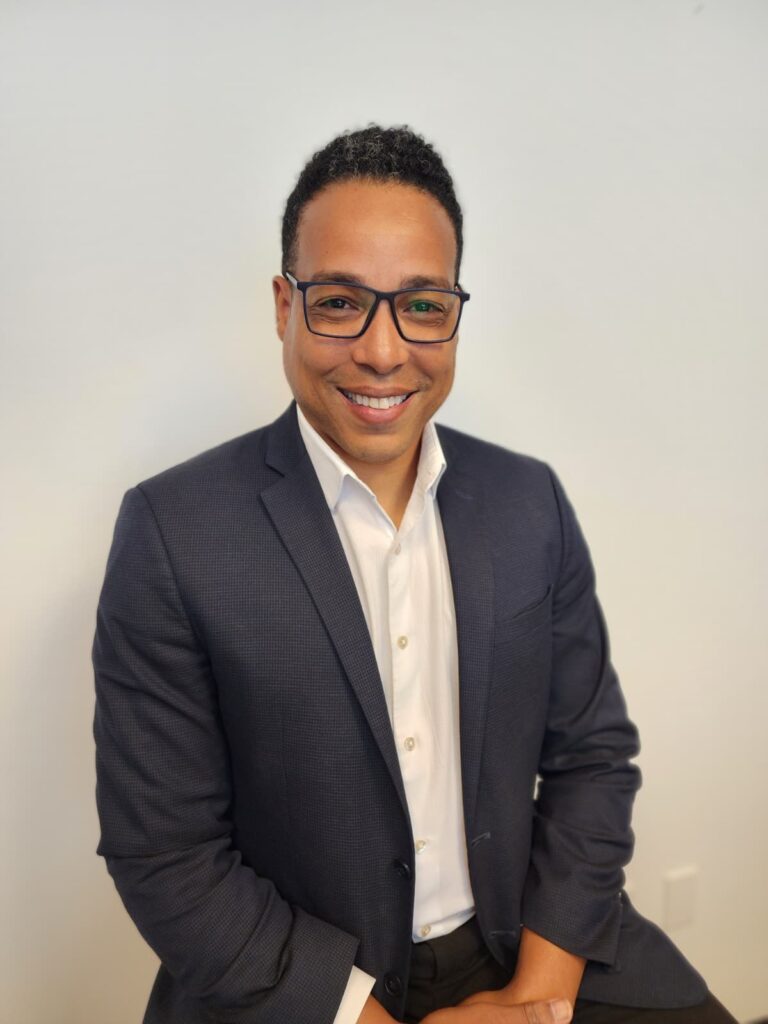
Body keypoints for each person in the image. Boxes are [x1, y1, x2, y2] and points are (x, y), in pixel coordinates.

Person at [92, 125, 736, 1024]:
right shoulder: (173, 531)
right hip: (304, 986)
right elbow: (166, 854)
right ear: (283, 306)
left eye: (423, 306)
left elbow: (592, 758)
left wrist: (535, 1000)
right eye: (340, 302)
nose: (385, 351)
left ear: (454, 313)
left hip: (529, 944)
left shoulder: (529, 501)